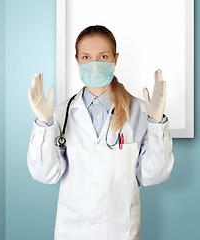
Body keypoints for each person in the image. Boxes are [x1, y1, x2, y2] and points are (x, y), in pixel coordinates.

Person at [27, 25, 174, 240]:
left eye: (103, 56)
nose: (94, 64)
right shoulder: (60, 114)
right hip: (72, 231)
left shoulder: (141, 112)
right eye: (86, 57)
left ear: (115, 58)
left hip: (120, 232)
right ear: (77, 59)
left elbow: (154, 175)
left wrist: (157, 121)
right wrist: (43, 123)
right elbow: (45, 174)